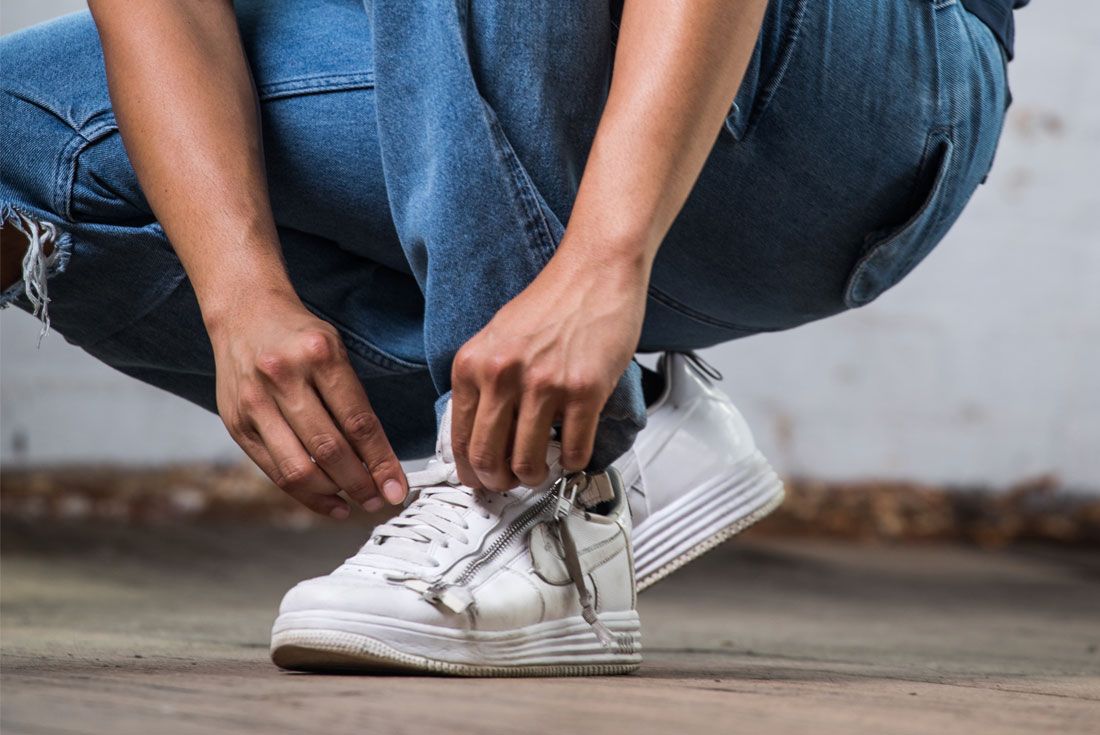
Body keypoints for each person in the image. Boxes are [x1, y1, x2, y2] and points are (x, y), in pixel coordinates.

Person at [0, 0, 1020, 675]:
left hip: (863, 91)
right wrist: (238, 293)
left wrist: (601, 263)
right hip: (460, 53)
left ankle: (536, 496)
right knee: (19, 132)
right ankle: (613, 427)